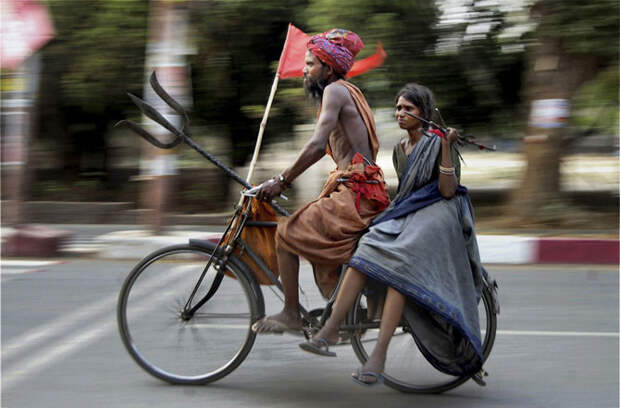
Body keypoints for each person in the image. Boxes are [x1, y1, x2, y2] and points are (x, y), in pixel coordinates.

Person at [299, 83, 492, 387]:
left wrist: (444, 146)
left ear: (424, 114)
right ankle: (331, 328)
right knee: (365, 246)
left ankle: (379, 354)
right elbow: (405, 192)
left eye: (409, 109)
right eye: (399, 108)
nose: (401, 114)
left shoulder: (438, 142)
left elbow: (447, 190)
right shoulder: (400, 151)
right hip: (411, 213)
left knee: (399, 264)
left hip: (441, 215)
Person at [251, 28, 390, 335]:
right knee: (312, 237)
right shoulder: (350, 91)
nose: (304, 70)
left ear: (329, 67)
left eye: (311, 64)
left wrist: (281, 181)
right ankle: (341, 317)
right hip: (361, 190)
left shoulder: (335, 91)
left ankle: (290, 314)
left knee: (287, 234)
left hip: (355, 194)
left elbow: (316, 145)